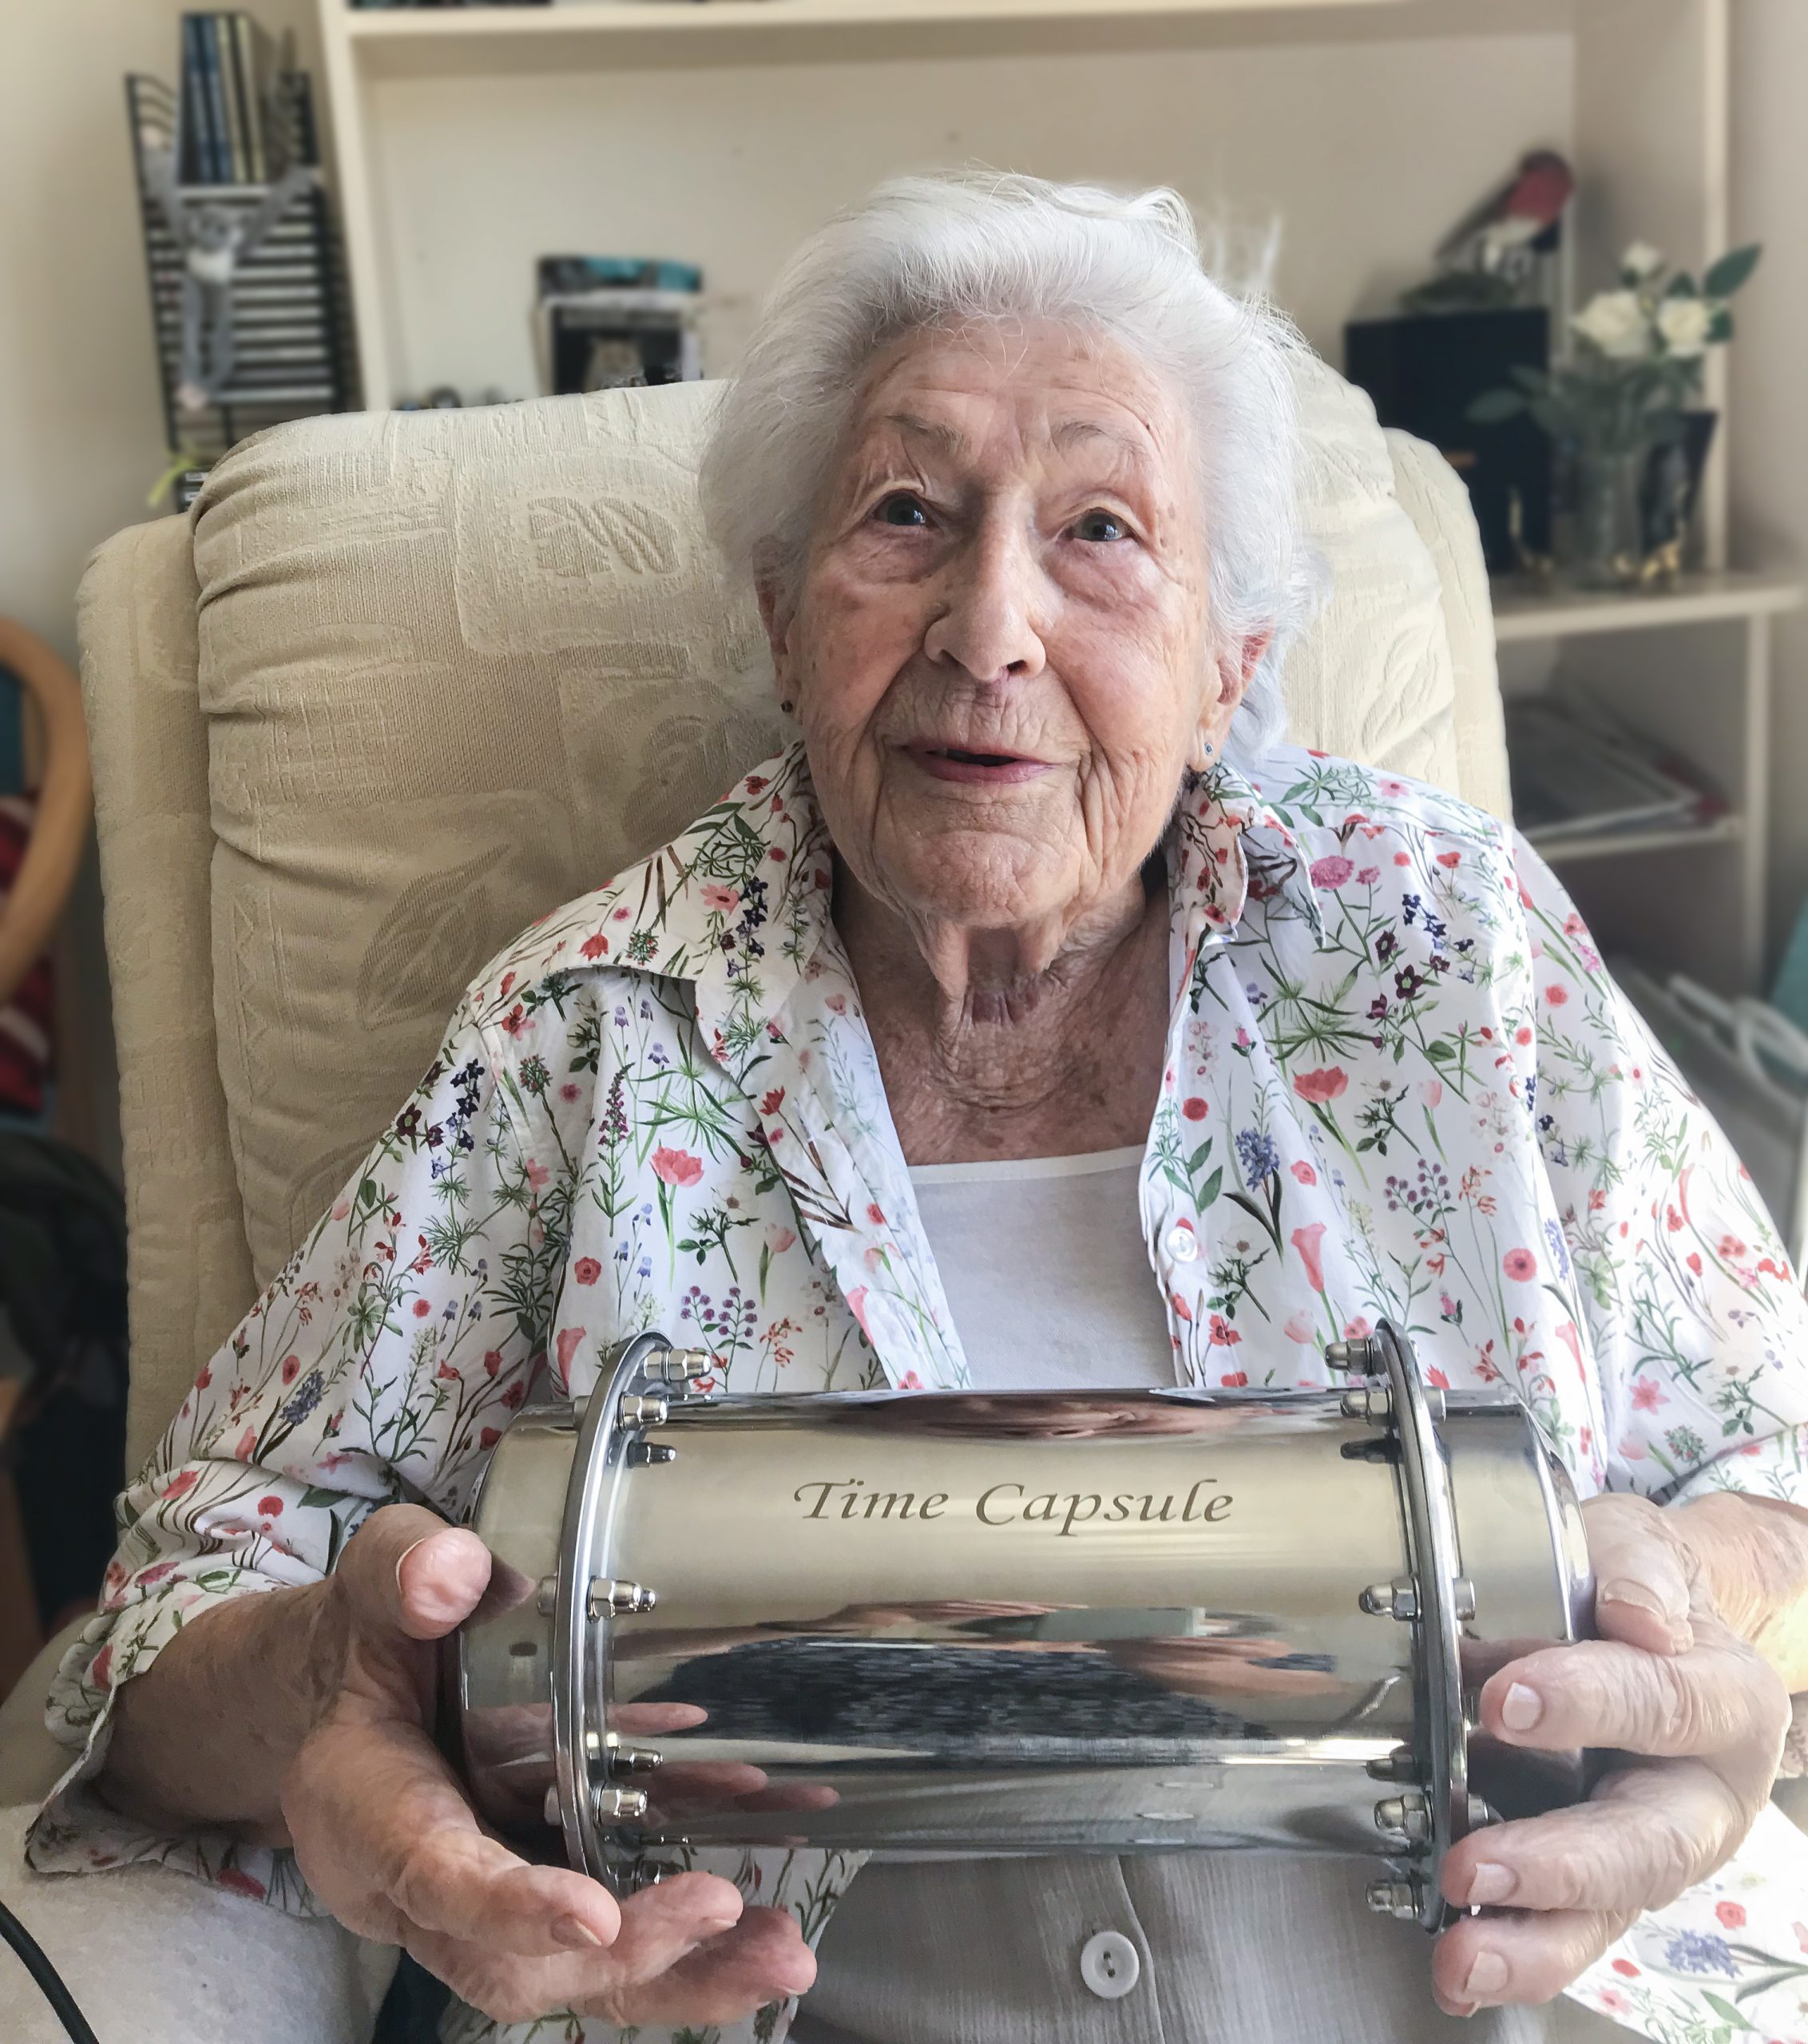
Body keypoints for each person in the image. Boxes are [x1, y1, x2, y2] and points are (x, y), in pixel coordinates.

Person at [28, 174, 1808, 2044]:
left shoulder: (1445, 951)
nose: (991, 626)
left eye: (1102, 530)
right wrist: (333, 1688)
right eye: (906, 514)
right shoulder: (592, 1028)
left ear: (1232, 667)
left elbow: (1781, 1462)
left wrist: (1705, 1632)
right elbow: (171, 1602)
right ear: (785, 617)